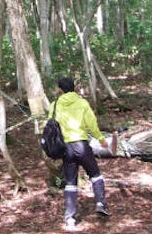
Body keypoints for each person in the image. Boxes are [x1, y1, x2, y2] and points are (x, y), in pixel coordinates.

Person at [51, 77, 110, 230]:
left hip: (66, 148)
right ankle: (100, 203)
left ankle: (70, 218)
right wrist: (101, 139)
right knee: (95, 175)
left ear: (60, 89)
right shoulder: (82, 103)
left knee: (70, 182)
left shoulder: (55, 105)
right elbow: (91, 124)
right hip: (82, 145)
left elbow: (51, 125)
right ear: (74, 88)